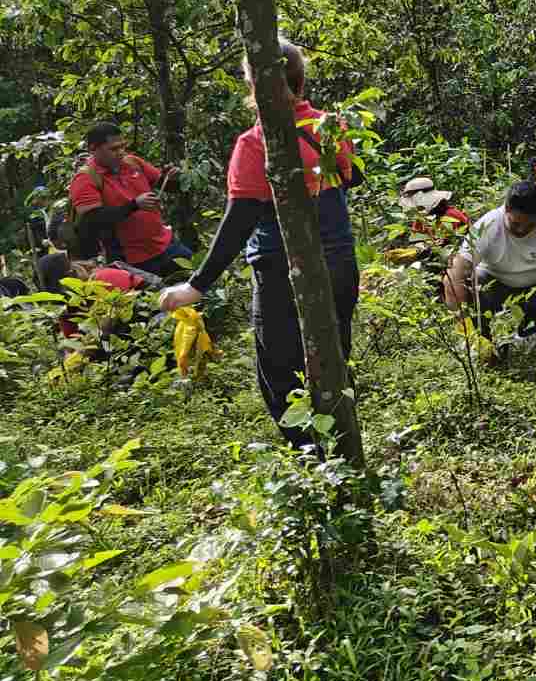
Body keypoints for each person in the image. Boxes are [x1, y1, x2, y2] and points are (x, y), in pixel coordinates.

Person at [159, 42, 361, 451]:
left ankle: (314, 463)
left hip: (281, 272)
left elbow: (241, 218)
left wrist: (196, 286)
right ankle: (343, 454)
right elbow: (352, 177)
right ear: (301, 80)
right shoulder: (331, 126)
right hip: (340, 260)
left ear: (253, 85)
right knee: (334, 357)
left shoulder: (254, 144)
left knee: (280, 372)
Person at [443, 180, 536, 349]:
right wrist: (467, 330)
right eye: (515, 223)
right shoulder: (487, 225)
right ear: (506, 209)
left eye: (531, 225)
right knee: (470, 283)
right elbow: (453, 276)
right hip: (495, 287)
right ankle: (481, 341)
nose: (522, 230)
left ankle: (531, 333)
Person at [67, 123, 192, 276]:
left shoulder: (132, 163)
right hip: (131, 260)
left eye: (122, 147)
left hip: (165, 245)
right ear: (93, 149)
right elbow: (92, 219)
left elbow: (169, 186)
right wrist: (134, 205)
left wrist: (174, 177)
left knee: (195, 284)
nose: (120, 152)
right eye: (113, 149)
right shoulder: (86, 178)